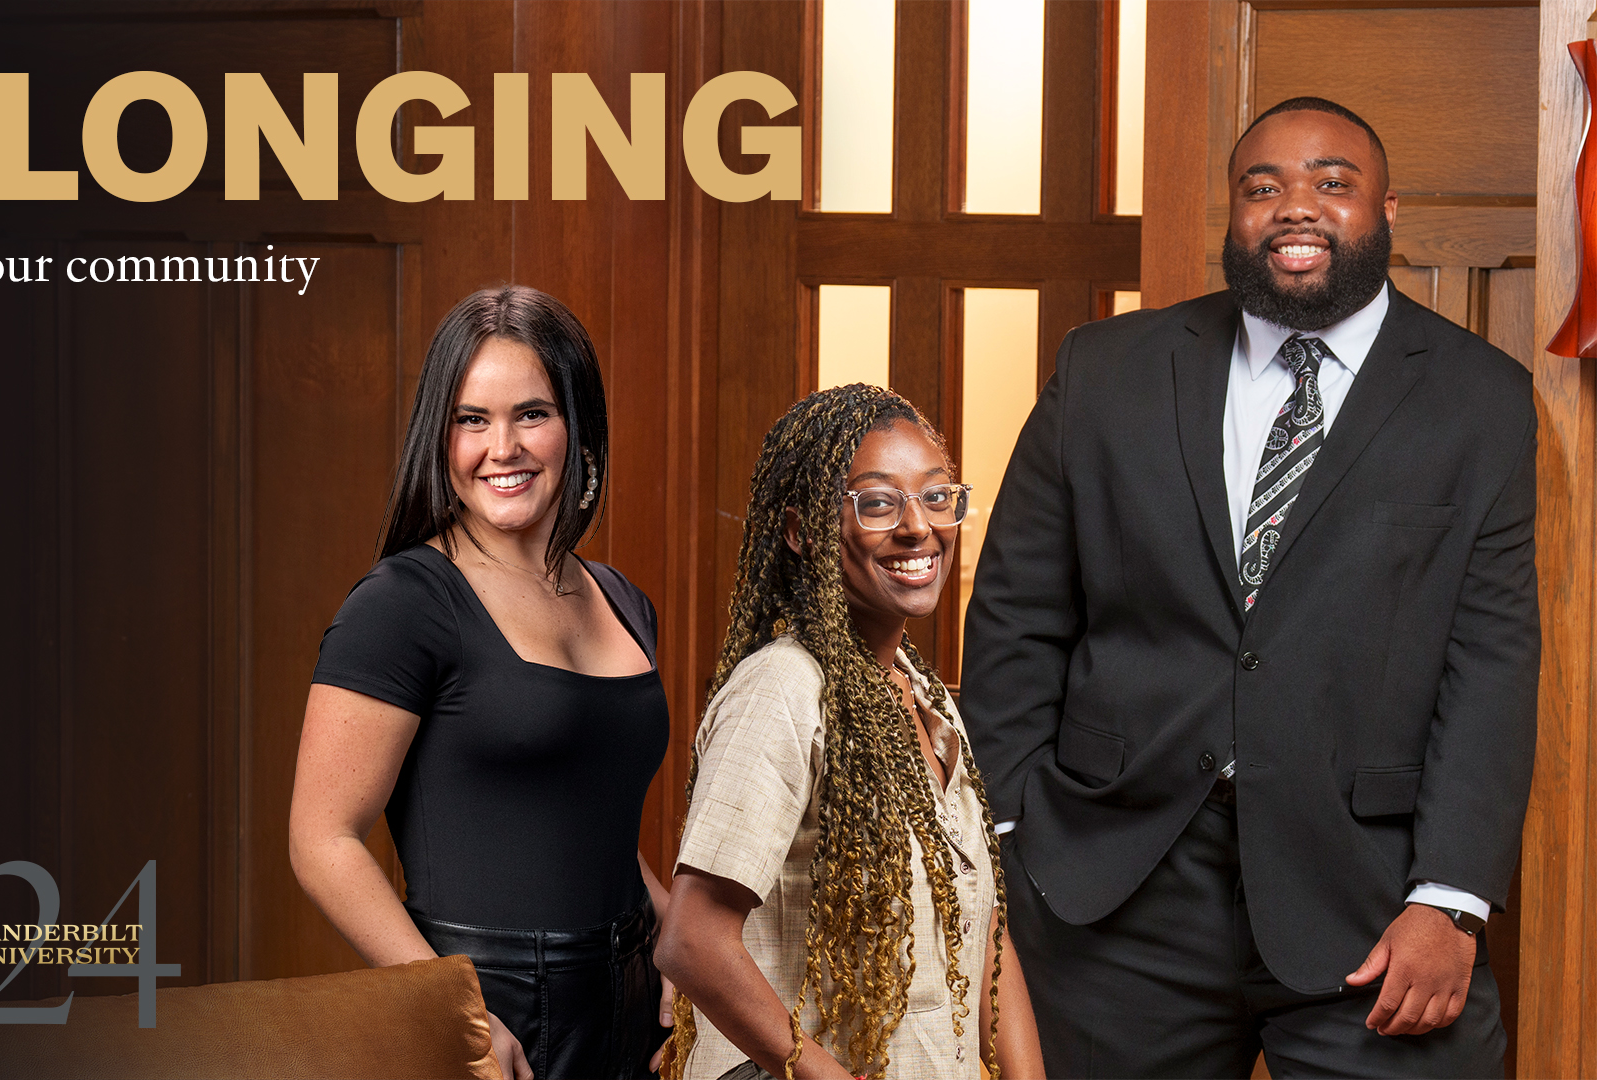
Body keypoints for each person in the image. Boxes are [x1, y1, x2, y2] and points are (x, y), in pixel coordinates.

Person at [962, 96, 1539, 1077]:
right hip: (1113, 894)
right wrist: (1013, 834)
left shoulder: (1477, 398)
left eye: (1331, 183)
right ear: (1233, 216)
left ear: (1388, 210)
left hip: (1368, 899)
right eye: (1260, 188)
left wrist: (1450, 900)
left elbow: (1490, 660)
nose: (1293, 208)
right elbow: (1017, 612)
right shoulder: (1107, 371)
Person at [289, 285, 673, 1080]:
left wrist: (675, 946)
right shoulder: (402, 605)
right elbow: (321, 840)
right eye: (473, 420)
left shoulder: (625, 602)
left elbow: (582, 808)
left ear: (578, 428)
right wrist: (452, 1008)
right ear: (442, 436)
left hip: (633, 1005)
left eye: (532, 414)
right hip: (492, 1012)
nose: (504, 447)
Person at [656, 384, 1045, 1080]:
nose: (918, 527)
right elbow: (691, 940)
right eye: (876, 502)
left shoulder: (924, 695)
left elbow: (984, 926)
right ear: (803, 531)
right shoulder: (783, 690)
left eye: (935, 496)